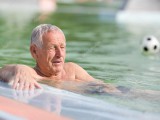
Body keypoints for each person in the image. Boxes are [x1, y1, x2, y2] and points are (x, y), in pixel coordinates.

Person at [0, 24, 120, 94]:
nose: (60, 54)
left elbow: (103, 86)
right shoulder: (30, 74)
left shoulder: (72, 71)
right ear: (34, 51)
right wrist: (17, 68)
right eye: (53, 48)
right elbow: (3, 72)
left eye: (62, 47)